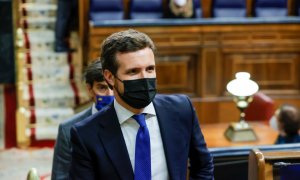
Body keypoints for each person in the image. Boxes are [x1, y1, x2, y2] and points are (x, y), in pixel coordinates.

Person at [69, 29, 214, 179]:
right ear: (110, 77)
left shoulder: (181, 109)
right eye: (133, 71)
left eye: (150, 69)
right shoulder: (86, 134)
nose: (145, 78)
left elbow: (203, 165)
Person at [51, 60, 114, 180]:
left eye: (114, 87)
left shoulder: (134, 121)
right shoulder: (68, 129)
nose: (110, 95)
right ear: (90, 89)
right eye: (102, 88)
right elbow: (60, 176)